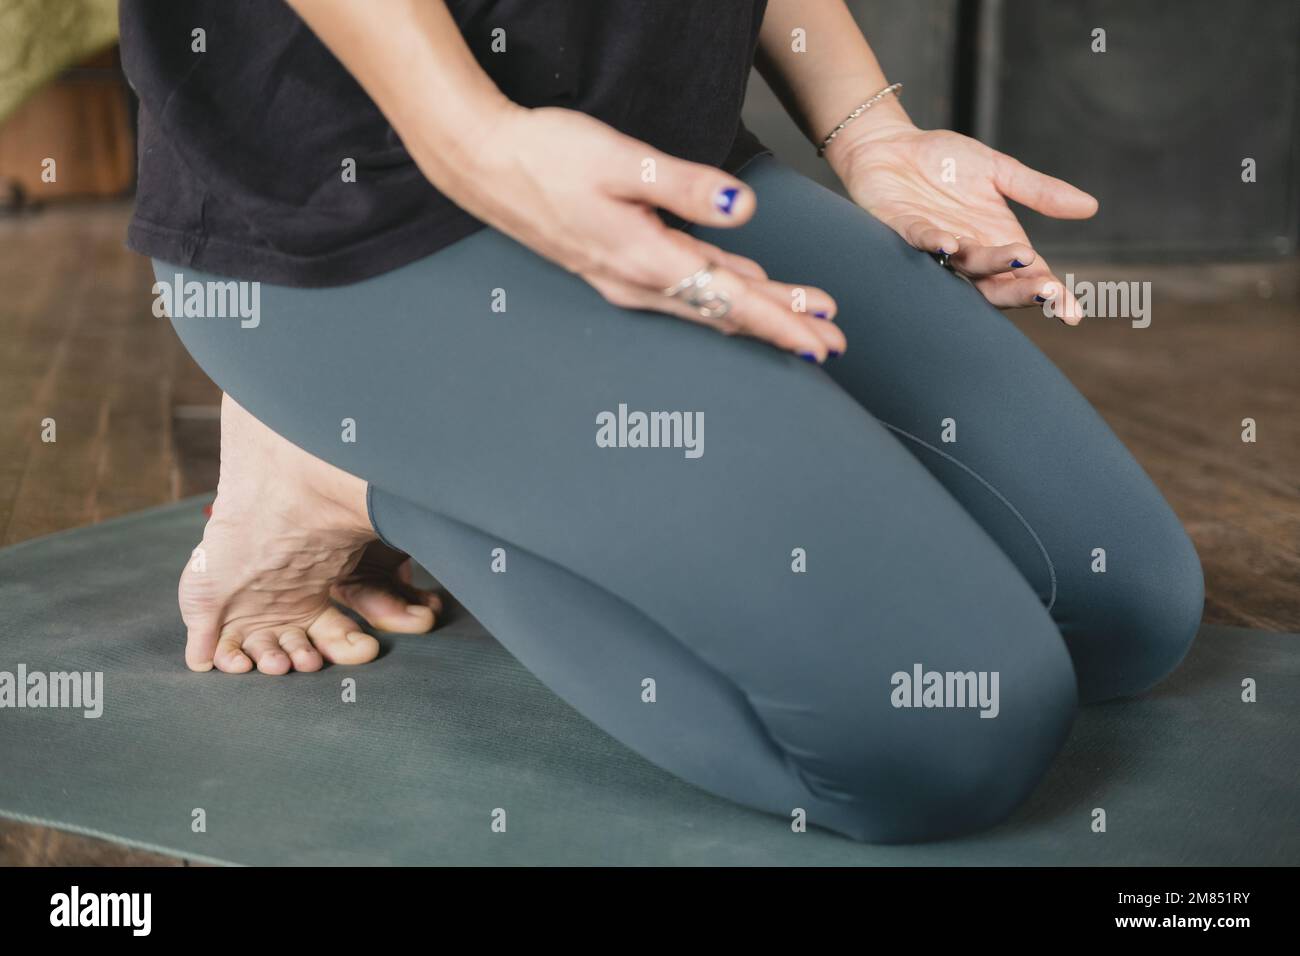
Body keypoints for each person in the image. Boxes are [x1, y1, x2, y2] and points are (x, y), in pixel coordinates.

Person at [119, 0, 1203, 842]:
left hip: (658, 155)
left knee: (1123, 605)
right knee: (942, 737)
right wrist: (480, 142)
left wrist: (870, 128)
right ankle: (332, 465)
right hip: (364, 208)